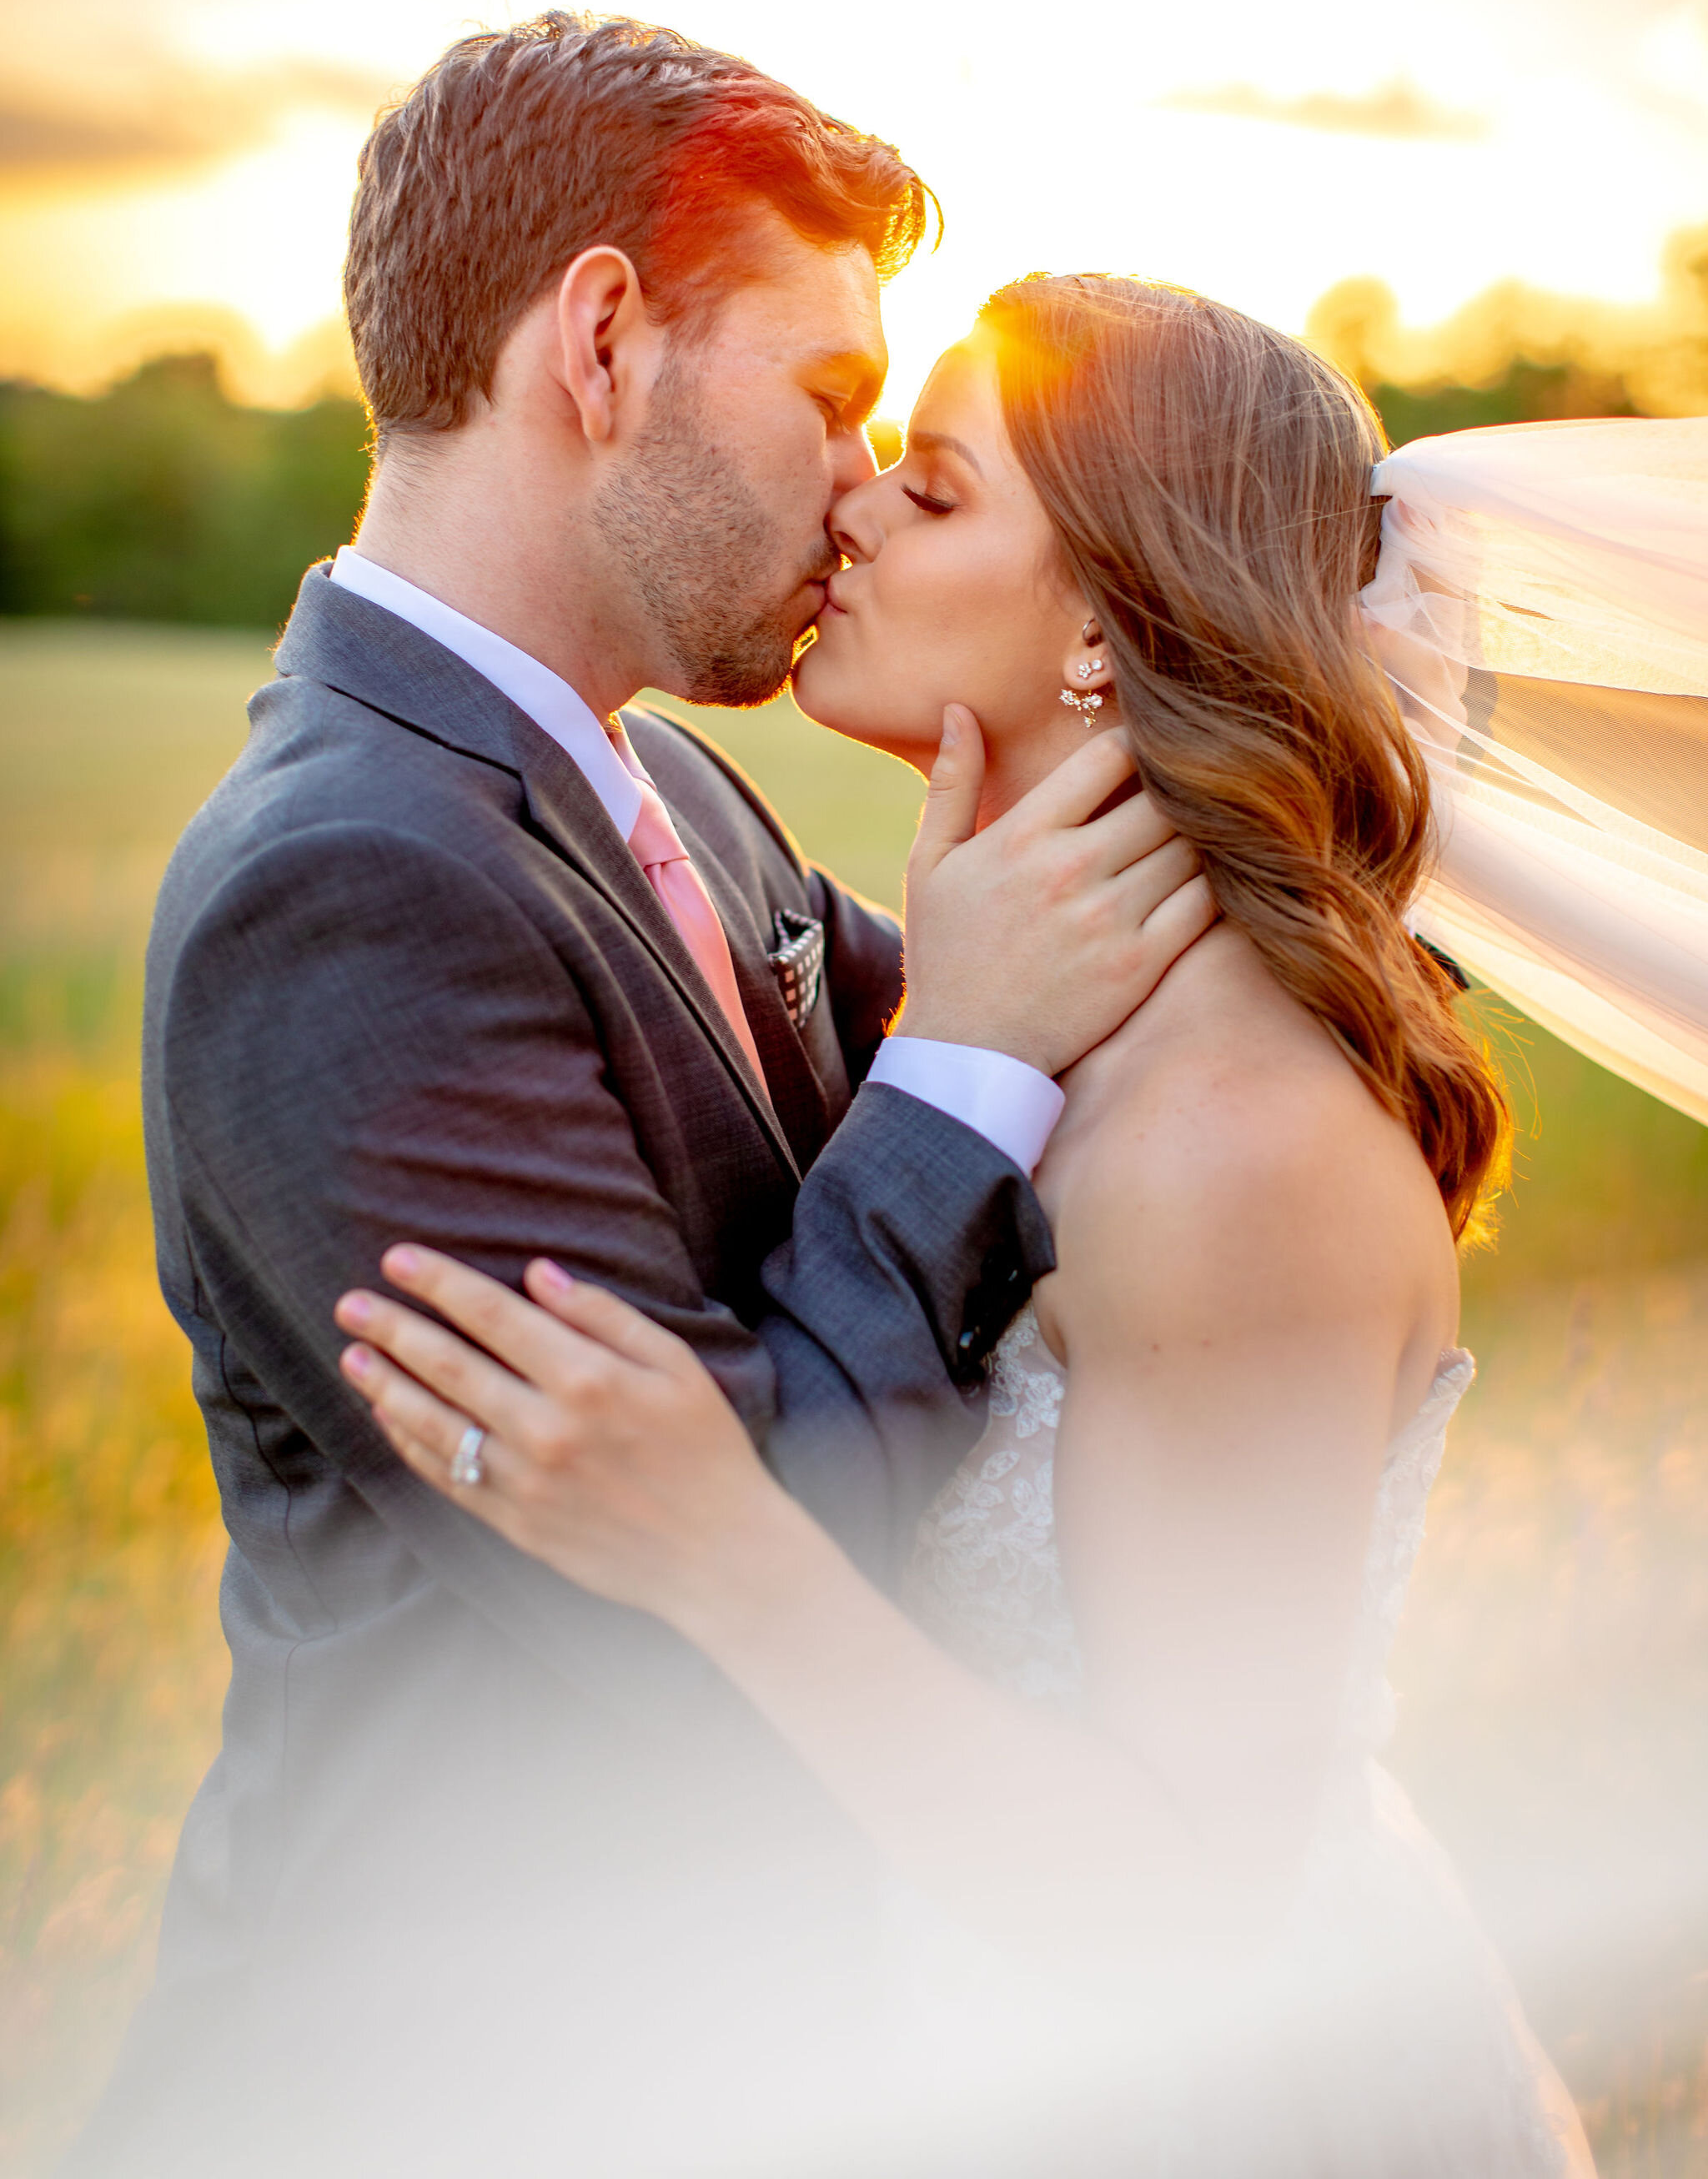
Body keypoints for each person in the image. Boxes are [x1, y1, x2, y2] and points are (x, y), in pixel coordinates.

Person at [81, 31, 1213, 2176]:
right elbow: (699, 1580)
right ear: (602, 343)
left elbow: (1070, 1039)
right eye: (829, 399)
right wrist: (963, 1050)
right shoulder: (342, 895)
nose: (857, 486)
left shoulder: (667, 779)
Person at [339, 277, 1603, 2175]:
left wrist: (729, 1555)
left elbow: (1197, 1904)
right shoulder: (1034, 1029)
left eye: (930, 490)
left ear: (1102, 625)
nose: (847, 505)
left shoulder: (1224, 1150)